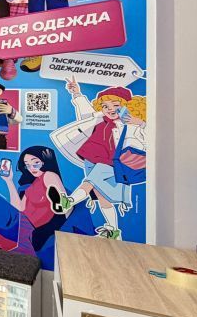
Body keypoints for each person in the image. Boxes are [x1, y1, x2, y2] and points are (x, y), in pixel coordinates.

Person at [51, 81, 146, 240]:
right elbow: (85, 113)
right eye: (105, 106)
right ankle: (113, 230)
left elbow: (150, 140)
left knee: (90, 182)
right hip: (91, 160)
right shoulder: (99, 119)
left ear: (127, 106)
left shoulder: (131, 126)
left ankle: (68, 202)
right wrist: (77, 93)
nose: (110, 109)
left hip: (111, 163)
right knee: (101, 195)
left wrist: (141, 124)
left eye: (116, 105)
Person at [0, 146, 73, 257]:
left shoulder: (49, 175)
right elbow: (19, 208)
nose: (31, 168)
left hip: (26, 228)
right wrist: (9, 180)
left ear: (45, 161)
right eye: (27, 165)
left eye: (36, 163)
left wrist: (62, 210)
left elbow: (67, 206)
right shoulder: (31, 185)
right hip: (18, 223)